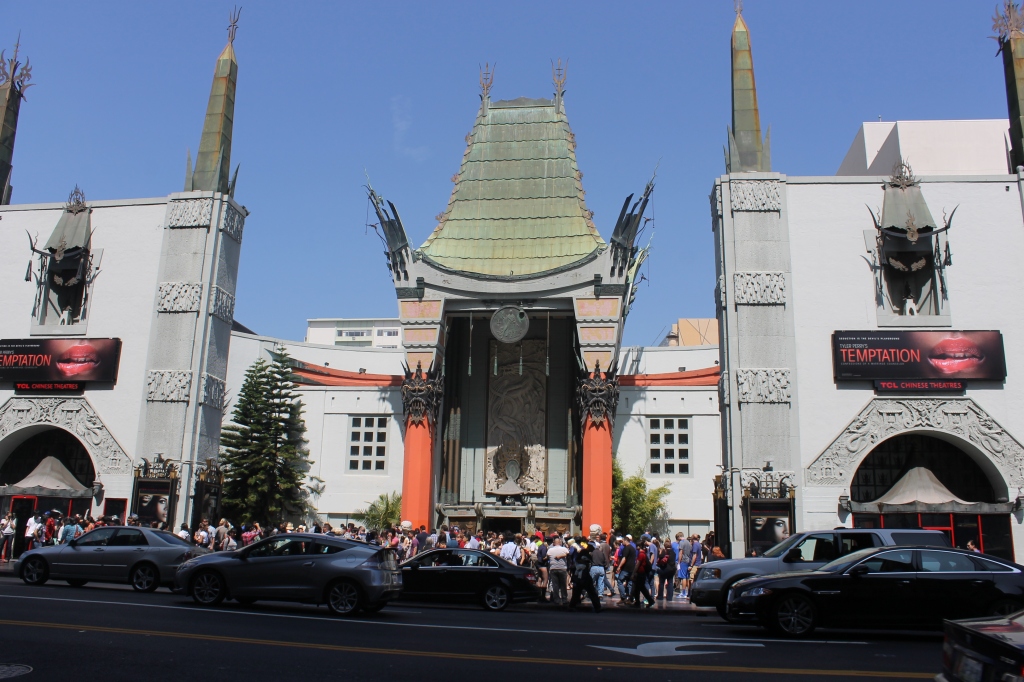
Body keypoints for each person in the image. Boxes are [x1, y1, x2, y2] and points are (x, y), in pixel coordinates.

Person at [569, 537, 601, 612]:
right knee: (591, 592)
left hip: (579, 576)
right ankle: (597, 607)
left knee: (577, 592)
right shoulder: (586, 554)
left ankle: (572, 605)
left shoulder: (581, 553)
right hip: (584, 576)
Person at [547, 535, 570, 607]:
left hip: (553, 568)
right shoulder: (564, 549)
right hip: (562, 568)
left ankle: (556, 599)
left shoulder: (550, 550)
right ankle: (564, 598)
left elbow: (548, 556)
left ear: (554, 542)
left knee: (555, 585)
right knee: (563, 585)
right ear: (560, 542)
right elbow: (568, 554)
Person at [630, 539, 654, 608]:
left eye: (637, 546)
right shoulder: (644, 553)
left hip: (640, 573)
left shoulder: (641, 554)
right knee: (638, 588)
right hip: (642, 573)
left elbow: (637, 564)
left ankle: (650, 600)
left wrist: (633, 573)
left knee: (641, 588)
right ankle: (637, 601)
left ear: (639, 546)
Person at [616, 535, 636, 603]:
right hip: (632, 568)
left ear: (625, 540)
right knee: (630, 583)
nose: (622, 543)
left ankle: (623, 597)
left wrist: (619, 567)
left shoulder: (626, 548)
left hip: (626, 568)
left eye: (622, 541)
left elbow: (624, 558)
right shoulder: (633, 548)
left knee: (619, 581)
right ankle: (630, 598)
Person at [657, 534, 677, 601]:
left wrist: (660, 552)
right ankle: (669, 597)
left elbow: (659, 557)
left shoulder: (664, 551)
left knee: (661, 582)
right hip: (671, 569)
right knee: (670, 582)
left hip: (664, 569)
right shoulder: (673, 552)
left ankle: (660, 596)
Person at [591, 533, 610, 598]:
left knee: (592, 581)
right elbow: (605, 560)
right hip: (601, 568)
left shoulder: (592, 552)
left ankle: (591, 592)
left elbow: (590, 560)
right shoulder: (602, 553)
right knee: (601, 582)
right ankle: (600, 594)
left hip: (594, 567)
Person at [678, 532, 693, 600]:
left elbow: (680, 552)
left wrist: (679, 561)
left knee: (683, 577)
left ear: (679, 537)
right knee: (687, 577)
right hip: (688, 560)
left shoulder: (681, 542)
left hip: (683, 560)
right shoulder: (688, 542)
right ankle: (687, 591)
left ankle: (683, 592)